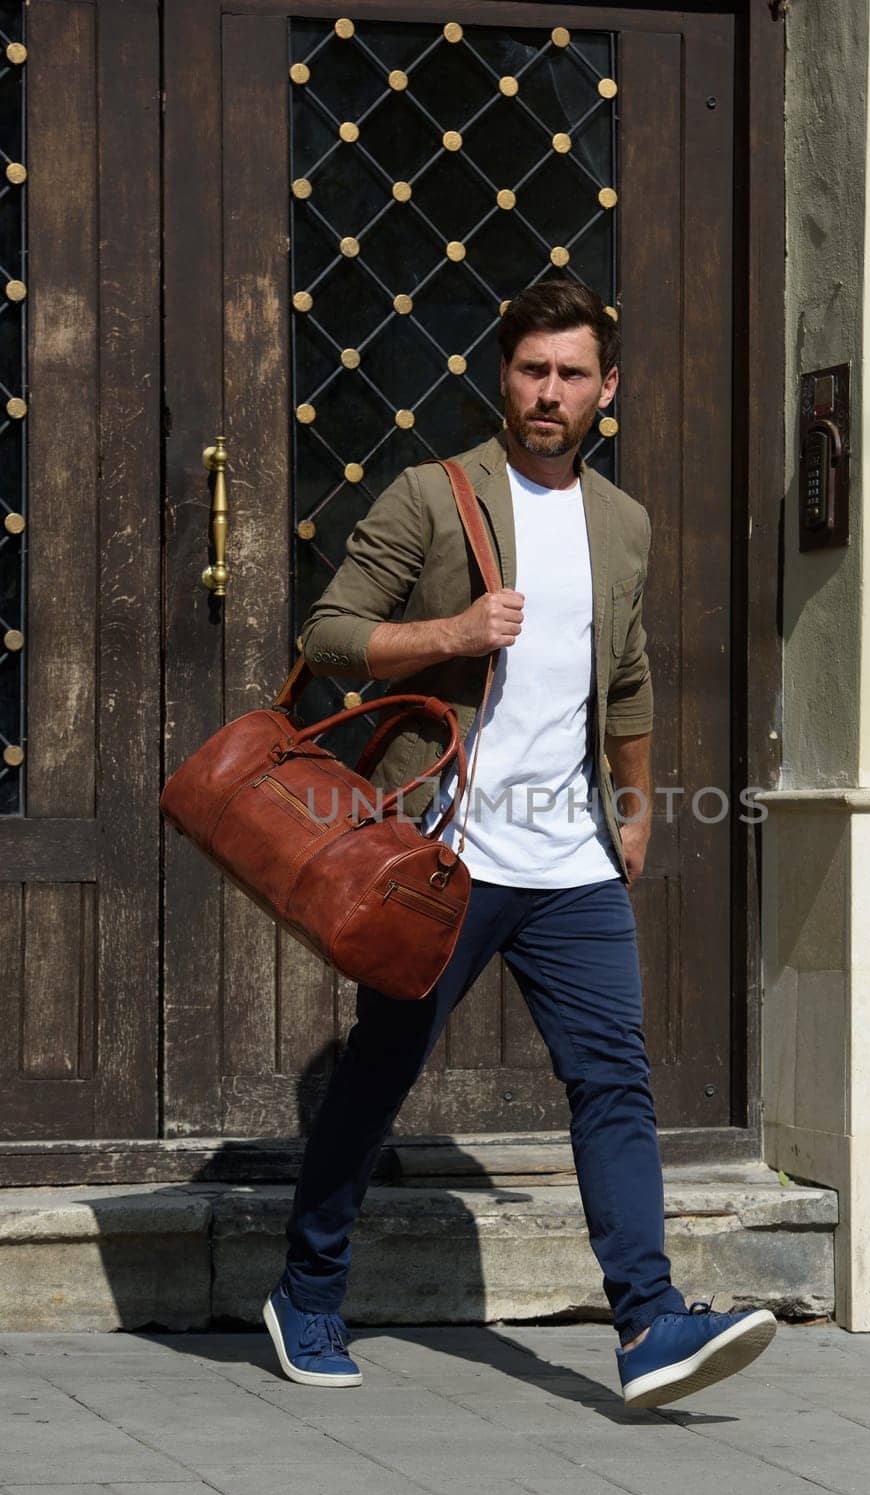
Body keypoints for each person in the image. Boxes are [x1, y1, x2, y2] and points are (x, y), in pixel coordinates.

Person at [263, 280, 777, 1407]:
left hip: (570, 857)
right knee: (384, 1069)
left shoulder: (623, 522)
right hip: (438, 854)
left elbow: (626, 676)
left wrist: (635, 809)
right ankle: (306, 1291)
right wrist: (451, 632)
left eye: (572, 374)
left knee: (614, 1082)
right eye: (533, 370)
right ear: (503, 375)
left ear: (608, 389)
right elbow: (329, 636)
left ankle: (647, 1324)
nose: (551, 392)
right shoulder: (430, 498)